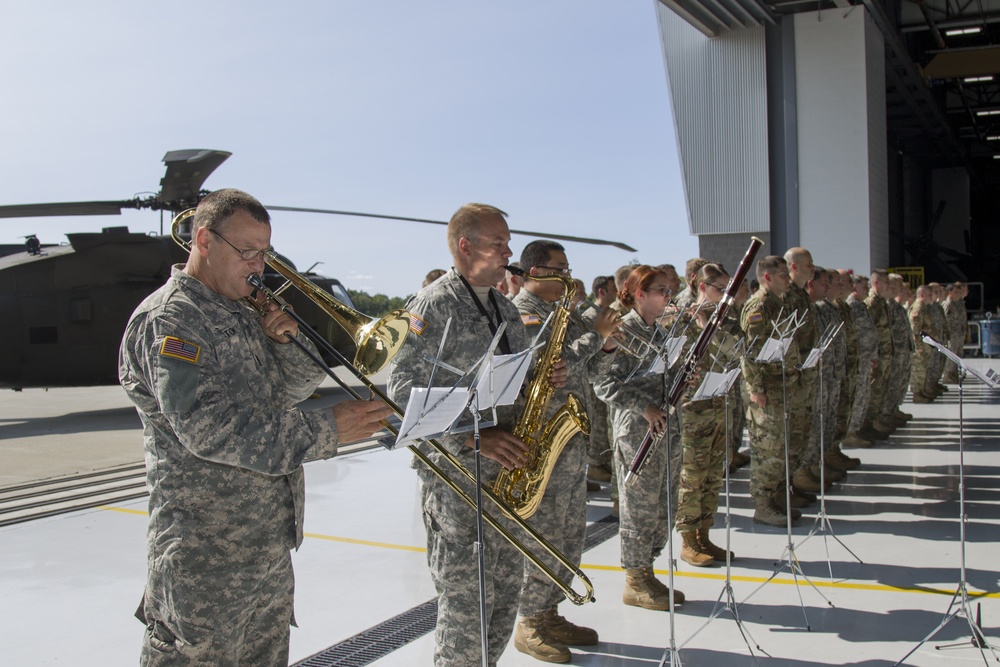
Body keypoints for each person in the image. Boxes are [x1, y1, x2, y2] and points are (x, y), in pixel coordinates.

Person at [118, 188, 392, 666]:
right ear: (203, 240)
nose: (258, 265)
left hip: (265, 544)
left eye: (264, 252)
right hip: (205, 554)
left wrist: (286, 342)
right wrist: (325, 431)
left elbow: (286, 394)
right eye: (247, 251)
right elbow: (207, 429)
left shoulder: (242, 311)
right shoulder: (173, 319)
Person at [387, 203, 565, 667]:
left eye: (507, 243)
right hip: (458, 483)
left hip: (504, 479)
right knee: (467, 611)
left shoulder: (504, 305)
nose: (509, 251)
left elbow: (509, 381)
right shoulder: (431, 305)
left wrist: (542, 379)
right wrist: (471, 437)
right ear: (465, 247)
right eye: (498, 243)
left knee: (504, 599)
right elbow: (402, 392)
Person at [510, 240, 619, 663]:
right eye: (560, 267)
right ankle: (529, 622)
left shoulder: (562, 314)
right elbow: (547, 368)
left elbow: (587, 370)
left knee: (570, 532)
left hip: (572, 442)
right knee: (542, 534)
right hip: (540, 443)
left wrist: (605, 347)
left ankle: (550, 610)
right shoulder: (522, 313)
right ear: (535, 272)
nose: (567, 274)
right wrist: (596, 337)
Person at [594, 265, 686, 610]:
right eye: (660, 290)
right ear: (639, 294)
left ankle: (648, 569)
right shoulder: (623, 331)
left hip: (666, 429)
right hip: (637, 431)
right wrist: (643, 407)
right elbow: (603, 384)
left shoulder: (660, 332)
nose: (667, 296)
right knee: (639, 507)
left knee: (665, 503)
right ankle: (635, 578)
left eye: (668, 290)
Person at [674, 263, 740, 567]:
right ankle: (688, 539)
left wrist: (708, 331)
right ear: (702, 287)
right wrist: (697, 327)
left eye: (728, 288)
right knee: (692, 477)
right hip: (692, 412)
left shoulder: (723, 317)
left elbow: (738, 351)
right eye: (719, 288)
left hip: (718, 406)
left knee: (713, 475)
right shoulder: (678, 317)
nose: (725, 294)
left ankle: (704, 534)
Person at [741, 255, 802, 526]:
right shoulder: (760, 305)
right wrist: (756, 388)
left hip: (783, 384)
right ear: (767, 277)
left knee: (780, 448)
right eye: (783, 276)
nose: (788, 280)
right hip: (766, 389)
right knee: (766, 447)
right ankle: (762, 505)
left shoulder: (781, 303)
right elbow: (750, 352)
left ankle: (777, 498)